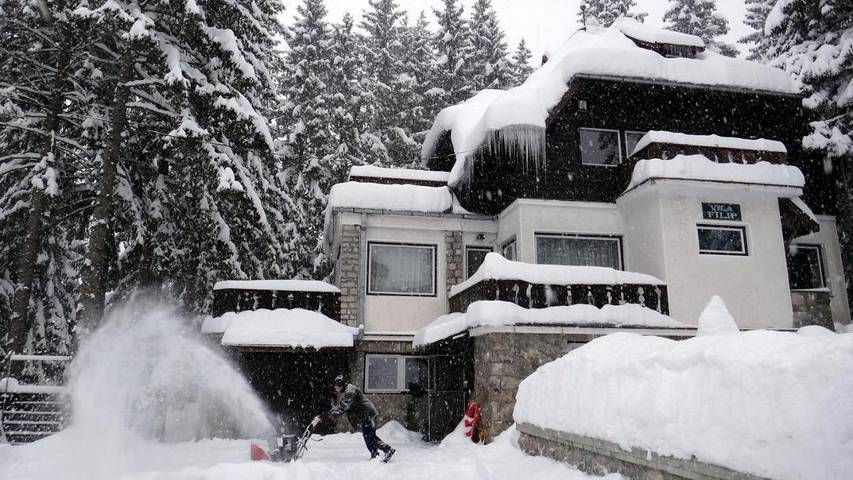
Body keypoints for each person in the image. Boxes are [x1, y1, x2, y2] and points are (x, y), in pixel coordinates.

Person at [312, 374, 395, 462]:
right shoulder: (348, 390)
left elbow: (342, 408)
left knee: (369, 437)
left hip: (368, 414)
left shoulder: (350, 391)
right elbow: (340, 406)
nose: (335, 388)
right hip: (365, 415)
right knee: (368, 436)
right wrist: (326, 415)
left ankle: (387, 449)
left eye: (336, 386)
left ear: (340, 385)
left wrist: (325, 417)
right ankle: (375, 454)